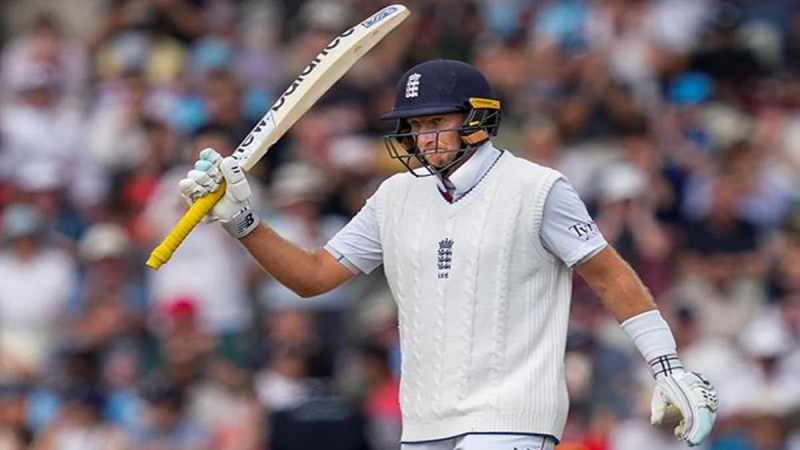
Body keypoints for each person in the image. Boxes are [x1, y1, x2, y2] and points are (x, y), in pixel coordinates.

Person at [178, 59, 718, 449]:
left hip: (511, 417)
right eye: (415, 126)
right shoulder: (393, 196)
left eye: (437, 121)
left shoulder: (536, 188)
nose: (424, 138)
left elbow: (610, 276)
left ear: (477, 119)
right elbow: (313, 276)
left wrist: (666, 364)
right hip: (423, 422)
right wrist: (243, 222)